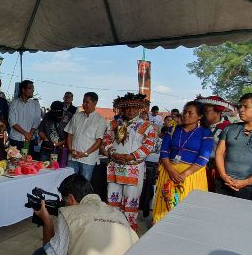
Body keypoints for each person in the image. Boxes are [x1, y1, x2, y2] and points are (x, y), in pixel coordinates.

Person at [100, 93, 157, 230]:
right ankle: (113, 222)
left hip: (134, 167)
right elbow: (106, 138)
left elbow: (149, 144)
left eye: (134, 108)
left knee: (131, 196)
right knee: (113, 193)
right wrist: (113, 152)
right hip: (116, 164)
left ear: (139, 109)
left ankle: (128, 226)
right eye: (127, 108)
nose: (131, 111)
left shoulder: (147, 126)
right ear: (122, 109)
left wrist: (132, 156)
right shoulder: (114, 123)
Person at [152, 101, 213, 223]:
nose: (186, 115)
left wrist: (184, 174)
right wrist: (171, 171)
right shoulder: (172, 129)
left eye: (190, 113)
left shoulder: (205, 132)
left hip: (191, 174)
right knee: (165, 202)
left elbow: (204, 157)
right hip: (168, 171)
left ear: (200, 116)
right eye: (185, 112)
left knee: (185, 206)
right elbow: (164, 151)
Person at [195, 95, 234, 192]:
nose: (203, 114)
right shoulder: (199, 127)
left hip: (217, 171)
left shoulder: (228, 129)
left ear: (218, 112)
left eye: (206, 110)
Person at [64, 92, 106, 180]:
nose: (84, 104)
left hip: (87, 159)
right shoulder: (76, 116)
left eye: (87, 102)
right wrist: (71, 149)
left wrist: (85, 153)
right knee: (69, 183)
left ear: (95, 103)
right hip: (73, 157)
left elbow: (99, 141)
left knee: (84, 186)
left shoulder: (100, 120)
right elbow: (70, 134)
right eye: (83, 102)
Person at [8, 80, 41, 151]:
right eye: (30, 88)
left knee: (29, 161)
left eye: (33, 88)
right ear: (23, 90)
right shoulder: (14, 103)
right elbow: (12, 122)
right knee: (14, 161)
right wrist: (25, 133)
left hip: (30, 139)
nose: (33, 90)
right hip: (15, 139)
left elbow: (37, 120)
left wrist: (30, 134)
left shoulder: (35, 104)